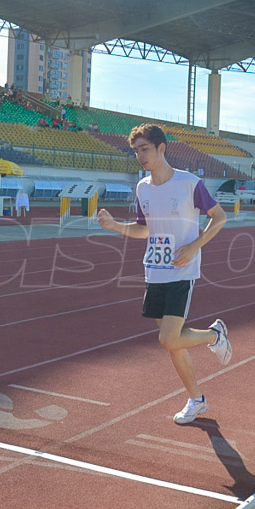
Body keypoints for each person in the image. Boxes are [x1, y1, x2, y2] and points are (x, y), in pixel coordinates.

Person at [97, 124, 232, 425]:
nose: (140, 156)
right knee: (174, 342)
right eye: (136, 151)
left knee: (169, 338)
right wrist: (115, 226)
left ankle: (215, 334)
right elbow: (144, 229)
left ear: (161, 148)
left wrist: (194, 246)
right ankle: (196, 400)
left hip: (182, 270)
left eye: (144, 149)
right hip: (154, 271)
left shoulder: (189, 183)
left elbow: (219, 218)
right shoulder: (142, 187)